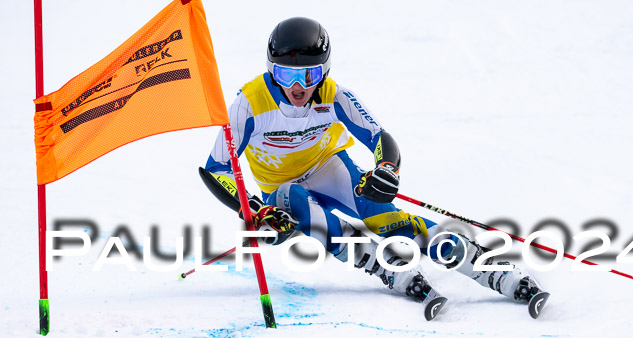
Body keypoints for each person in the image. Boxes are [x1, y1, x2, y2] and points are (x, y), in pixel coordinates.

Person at [201, 17, 546, 319]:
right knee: (302, 205)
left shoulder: (334, 95)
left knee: (385, 218)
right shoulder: (248, 104)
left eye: (310, 74)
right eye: (286, 74)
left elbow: (379, 137)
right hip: (281, 187)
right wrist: (257, 210)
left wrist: (386, 169)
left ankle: (488, 266)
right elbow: (217, 169)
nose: (298, 86)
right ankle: (381, 265)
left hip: (328, 167)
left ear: (325, 70)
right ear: (271, 70)